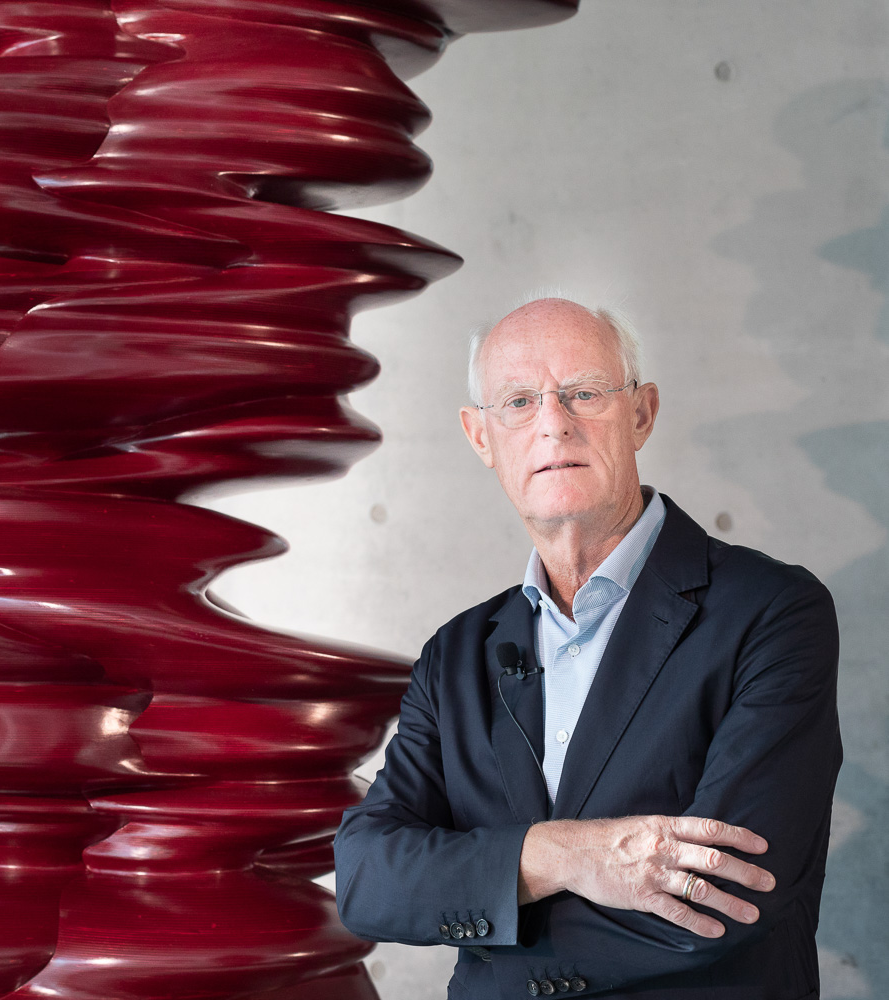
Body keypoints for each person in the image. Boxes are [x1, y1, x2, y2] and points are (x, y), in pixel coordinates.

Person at [333, 297, 841, 998]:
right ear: (480, 437)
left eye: (584, 392)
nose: (553, 423)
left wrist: (484, 924)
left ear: (641, 413)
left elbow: (716, 903)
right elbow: (368, 882)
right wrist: (563, 856)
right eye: (518, 401)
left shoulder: (773, 613)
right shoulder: (456, 656)